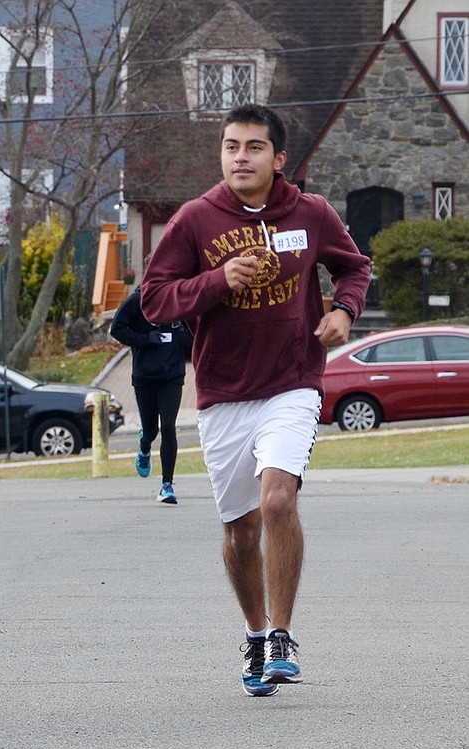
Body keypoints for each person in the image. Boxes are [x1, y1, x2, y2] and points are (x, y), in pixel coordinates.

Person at [140, 104, 370, 697]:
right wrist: (219, 281)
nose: (241, 157)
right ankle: (256, 632)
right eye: (231, 146)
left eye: (254, 147)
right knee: (241, 531)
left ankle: (284, 636)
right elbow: (155, 301)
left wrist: (343, 310)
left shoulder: (311, 213)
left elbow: (354, 268)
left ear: (278, 158)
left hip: (292, 382)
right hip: (223, 394)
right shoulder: (195, 220)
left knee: (277, 500)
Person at [109, 278, 192, 504]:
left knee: (168, 426)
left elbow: (193, 328)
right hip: (145, 375)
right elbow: (116, 329)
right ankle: (144, 446)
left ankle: (167, 485)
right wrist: (146, 339)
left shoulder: (178, 298)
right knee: (151, 430)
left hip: (172, 375)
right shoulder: (137, 301)